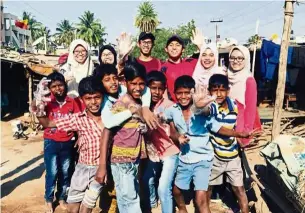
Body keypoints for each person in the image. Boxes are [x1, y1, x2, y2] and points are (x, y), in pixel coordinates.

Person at [166, 75, 254, 213]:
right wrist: (178, 137)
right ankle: (183, 209)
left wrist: (240, 134)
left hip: (207, 159)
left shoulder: (208, 111)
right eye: (179, 93)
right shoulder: (173, 110)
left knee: (203, 196)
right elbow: (169, 126)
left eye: (187, 93)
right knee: (178, 191)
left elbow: (207, 114)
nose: (183, 96)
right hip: (188, 159)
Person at [37, 76, 105, 213]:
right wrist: (39, 103)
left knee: (87, 208)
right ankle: (50, 199)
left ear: (103, 96)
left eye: (97, 97)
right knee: (73, 208)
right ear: (81, 100)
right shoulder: (77, 119)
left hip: (100, 170)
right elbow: (47, 123)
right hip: (81, 169)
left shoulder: (109, 118)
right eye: (88, 98)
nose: (93, 102)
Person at [97, 63, 148, 213]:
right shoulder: (116, 103)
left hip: (131, 157)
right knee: (129, 198)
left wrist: (142, 123)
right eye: (134, 83)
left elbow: (145, 91)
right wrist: (131, 112)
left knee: (126, 196)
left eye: (141, 84)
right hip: (122, 158)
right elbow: (108, 125)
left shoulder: (129, 97)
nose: (138, 87)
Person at [34, 72, 80, 213]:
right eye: (54, 86)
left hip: (68, 142)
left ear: (65, 86)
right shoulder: (47, 101)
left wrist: (79, 137)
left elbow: (78, 121)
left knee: (66, 172)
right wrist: (39, 104)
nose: (57, 89)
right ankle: (48, 199)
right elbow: (41, 118)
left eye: (60, 85)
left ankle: (61, 197)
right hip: (51, 142)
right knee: (52, 172)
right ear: (50, 88)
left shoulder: (72, 102)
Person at [207, 74, 250, 213]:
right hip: (215, 157)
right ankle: (203, 209)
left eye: (222, 90)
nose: (218, 94)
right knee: (208, 188)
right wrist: (238, 134)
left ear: (228, 91)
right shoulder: (211, 107)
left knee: (239, 189)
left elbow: (238, 124)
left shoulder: (234, 105)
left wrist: (241, 139)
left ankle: (245, 210)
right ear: (209, 91)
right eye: (214, 90)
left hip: (232, 156)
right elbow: (217, 128)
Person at [142, 71, 180, 213]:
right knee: (147, 180)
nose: (157, 92)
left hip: (170, 151)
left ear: (164, 89)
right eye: (153, 88)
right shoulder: (143, 106)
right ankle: (153, 203)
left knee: (163, 188)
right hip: (153, 152)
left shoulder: (169, 106)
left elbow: (177, 128)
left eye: (160, 89)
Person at [227, 46, 262, 146]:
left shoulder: (249, 80)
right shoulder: (227, 77)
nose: (236, 61)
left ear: (246, 59)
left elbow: (251, 110)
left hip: (241, 127)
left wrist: (246, 134)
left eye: (240, 58)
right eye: (232, 58)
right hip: (228, 125)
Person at [161, 32, 202, 101]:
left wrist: (200, 46)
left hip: (193, 106)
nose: (174, 48)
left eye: (177, 45)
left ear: (183, 49)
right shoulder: (163, 68)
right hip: (174, 107)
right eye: (171, 45)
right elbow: (163, 92)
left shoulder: (191, 62)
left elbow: (208, 60)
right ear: (166, 49)